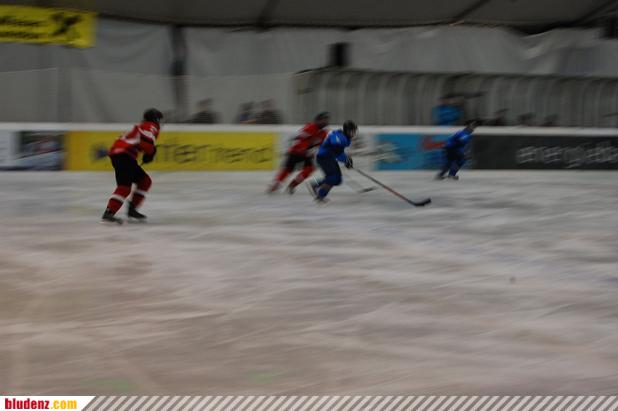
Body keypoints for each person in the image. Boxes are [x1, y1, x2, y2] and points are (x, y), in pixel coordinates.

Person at [101, 108, 163, 224]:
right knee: (124, 187)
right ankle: (109, 213)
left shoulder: (141, 126)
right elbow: (147, 143)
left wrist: (149, 152)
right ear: (156, 119)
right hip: (124, 156)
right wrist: (150, 153)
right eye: (159, 120)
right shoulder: (151, 126)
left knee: (145, 181)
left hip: (121, 155)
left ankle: (131, 210)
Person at [268, 112, 330, 194]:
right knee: (288, 169)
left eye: (327, 120)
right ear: (317, 120)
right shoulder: (311, 127)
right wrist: (299, 148)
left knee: (309, 169)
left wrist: (316, 152)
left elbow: (322, 145)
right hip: (296, 152)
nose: (326, 122)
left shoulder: (324, 133)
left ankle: (293, 184)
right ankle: (276, 184)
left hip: (307, 154)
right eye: (323, 120)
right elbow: (297, 136)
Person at [308, 120, 357, 202]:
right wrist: (346, 159)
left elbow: (339, 152)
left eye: (354, 131)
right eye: (352, 131)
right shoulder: (338, 135)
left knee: (337, 180)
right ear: (347, 130)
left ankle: (316, 184)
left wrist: (347, 159)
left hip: (329, 158)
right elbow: (335, 147)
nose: (354, 133)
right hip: (324, 158)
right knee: (333, 178)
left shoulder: (345, 138)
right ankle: (320, 195)